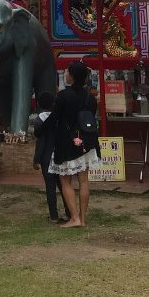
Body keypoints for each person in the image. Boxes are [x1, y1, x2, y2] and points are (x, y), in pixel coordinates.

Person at [48, 61, 100, 228]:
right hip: (86, 142)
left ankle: (75, 218)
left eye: (67, 72)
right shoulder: (90, 97)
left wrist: (40, 128)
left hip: (66, 143)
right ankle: (83, 219)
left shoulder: (64, 96)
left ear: (72, 75)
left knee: (65, 180)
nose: (66, 74)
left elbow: (54, 117)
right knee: (84, 180)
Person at [33, 91, 70, 223]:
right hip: (60, 155)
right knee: (64, 186)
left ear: (39, 104)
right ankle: (69, 212)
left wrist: (36, 159)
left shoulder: (38, 120)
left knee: (50, 188)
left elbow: (39, 140)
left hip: (46, 157)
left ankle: (53, 216)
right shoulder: (59, 118)